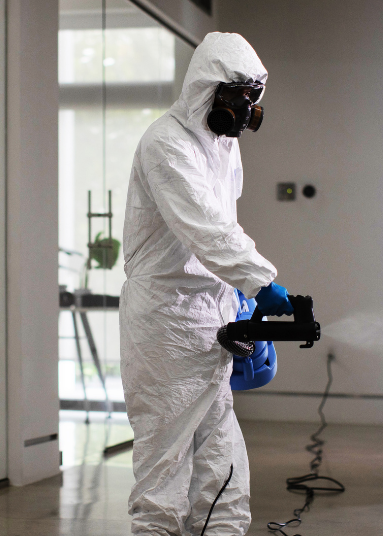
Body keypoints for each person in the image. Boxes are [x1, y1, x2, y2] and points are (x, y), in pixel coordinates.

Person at [120, 32, 293, 536]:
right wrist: (260, 282)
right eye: (236, 99)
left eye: (250, 101)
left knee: (223, 466)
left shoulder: (221, 146)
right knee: (164, 467)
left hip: (209, 311)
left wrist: (236, 296)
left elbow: (226, 225)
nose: (243, 114)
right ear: (207, 89)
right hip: (166, 322)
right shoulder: (166, 143)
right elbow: (204, 228)